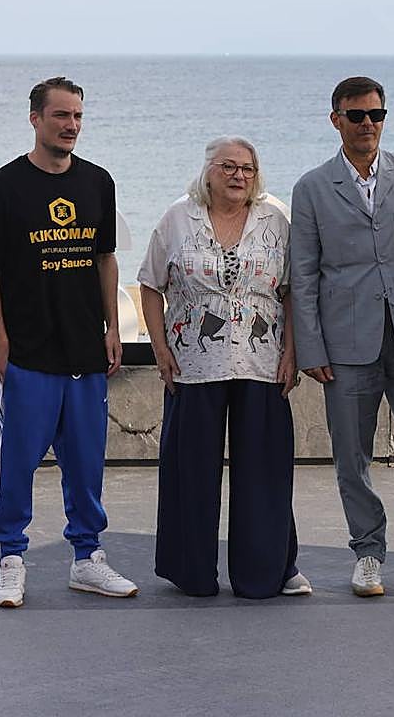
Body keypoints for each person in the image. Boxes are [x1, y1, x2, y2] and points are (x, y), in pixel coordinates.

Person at [290, 75, 394, 597]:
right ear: (335, 119)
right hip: (346, 350)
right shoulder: (312, 188)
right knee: (352, 459)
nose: (368, 124)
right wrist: (311, 348)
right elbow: (304, 274)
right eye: (357, 115)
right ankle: (367, 552)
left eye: (376, 115)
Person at [0, 76, 135, 608]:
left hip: (84, 350)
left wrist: (113, 327)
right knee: (17, 463)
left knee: (86, 464)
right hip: (28, 354)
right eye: (61, 116)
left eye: (78, 117)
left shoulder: (98, 182)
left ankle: (87, 559)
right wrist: (0, 343)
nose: (71, 126)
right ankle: (11, 560)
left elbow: (105, 259)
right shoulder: (1, 188)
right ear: (36, 119)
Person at [138, 136, 308, 599]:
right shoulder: (177, 218)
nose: (239, 176)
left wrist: (292, 352)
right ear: (208, 171)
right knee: (190, 471)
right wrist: (159, 349)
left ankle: (268, 572)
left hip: (262, 360)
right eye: (229, 166)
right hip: (193, 363)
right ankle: (190, 572)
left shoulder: (275, 218)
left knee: (264, 473)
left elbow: (291, 290)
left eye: (248, 169)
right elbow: (150, 285)